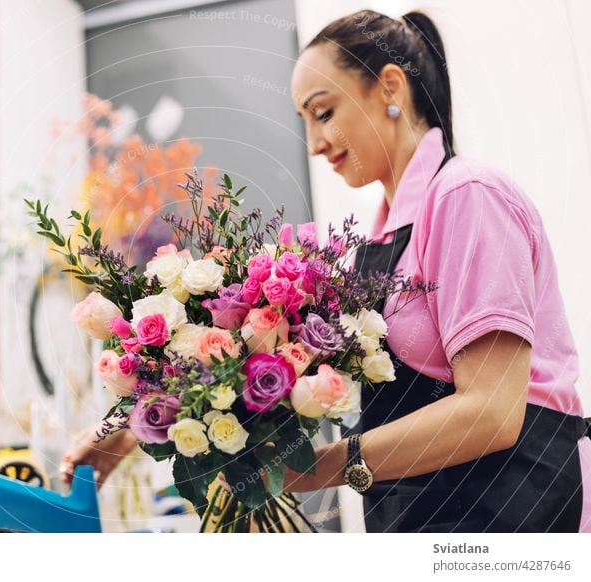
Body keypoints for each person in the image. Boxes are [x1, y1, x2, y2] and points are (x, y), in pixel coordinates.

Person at [62, 8, 591, 532]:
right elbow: (257, 357)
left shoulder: (467, 196)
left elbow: (492, 412)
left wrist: (316, 470)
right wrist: (136, 425)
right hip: (428, 515)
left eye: (324, 112)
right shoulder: (379, 241)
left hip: (514, 511)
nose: (315, 145)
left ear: (389, 87)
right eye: (306, 122)